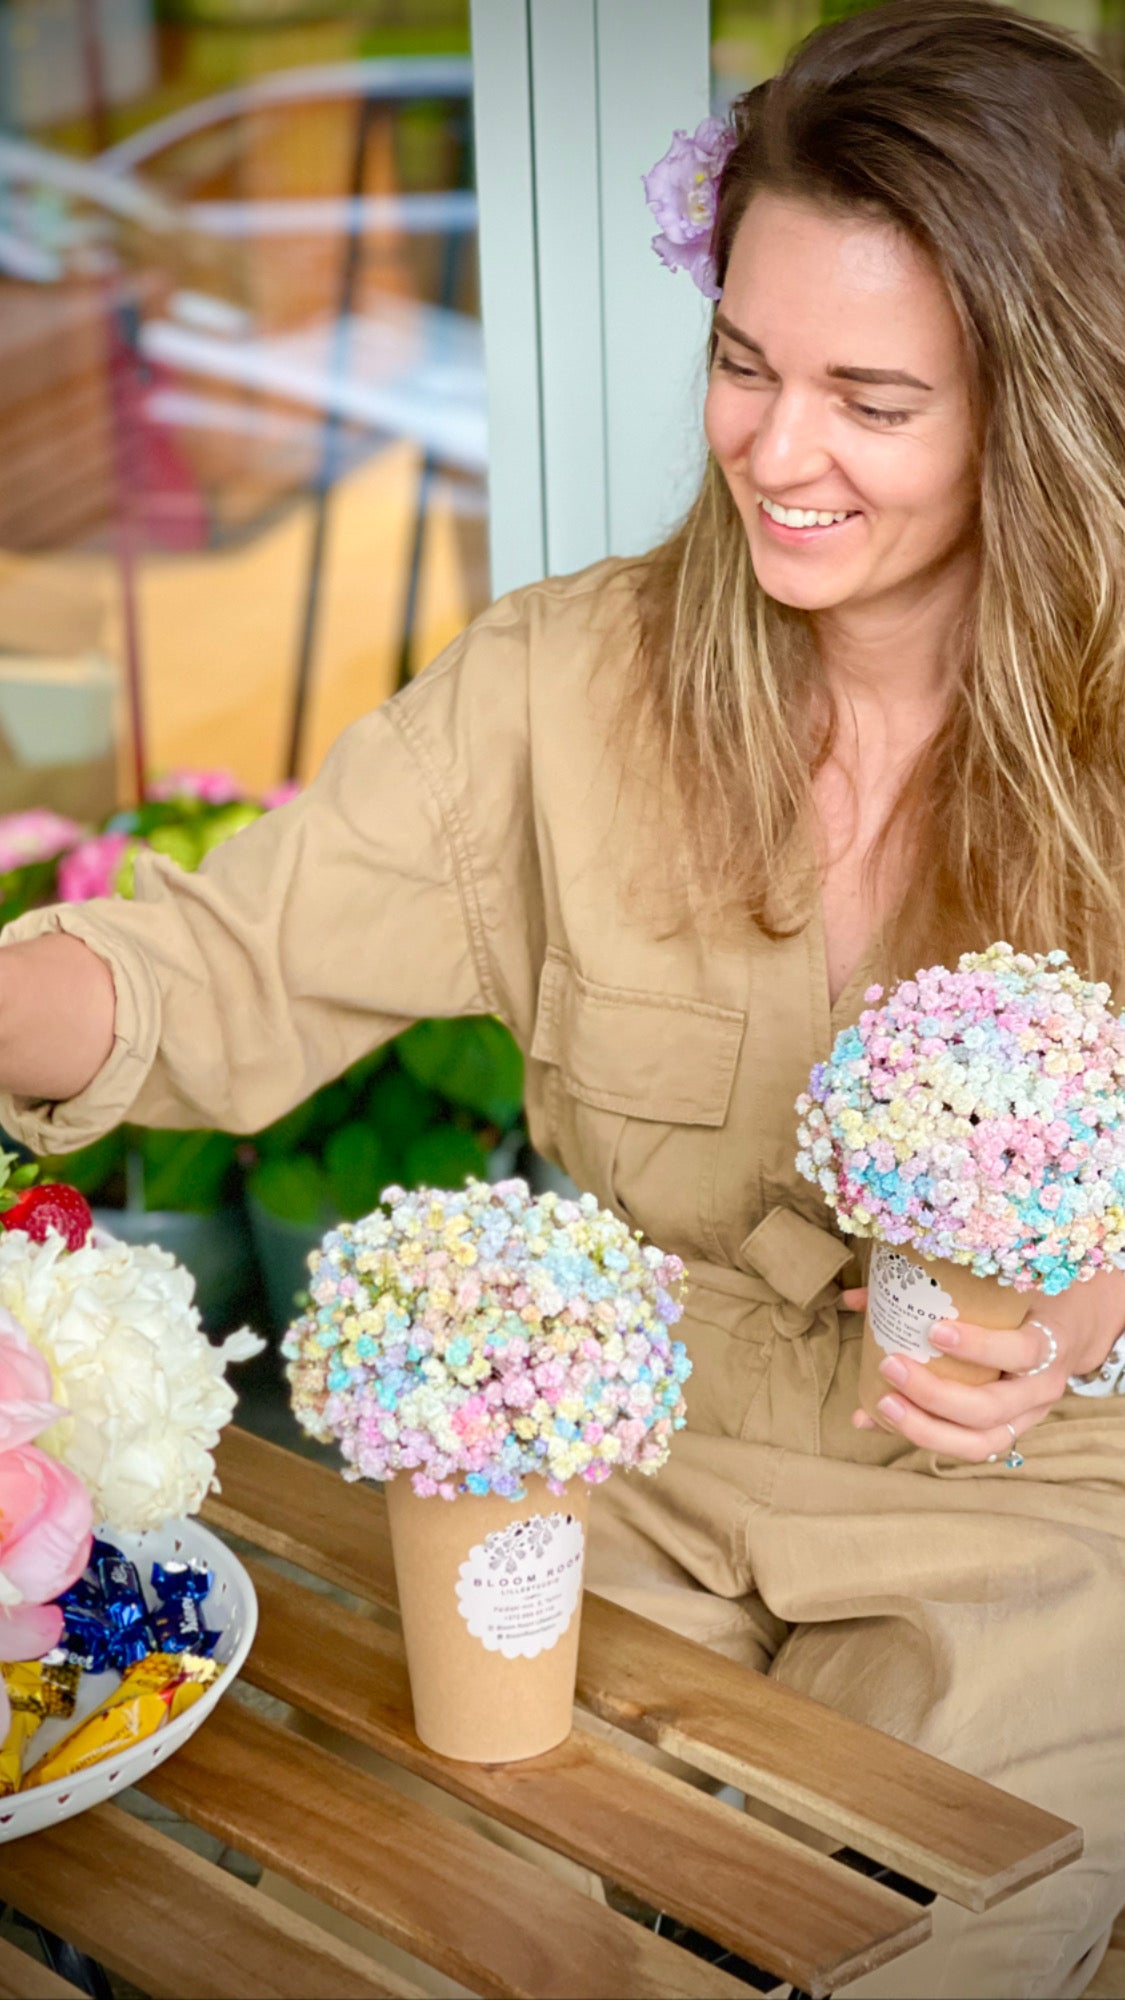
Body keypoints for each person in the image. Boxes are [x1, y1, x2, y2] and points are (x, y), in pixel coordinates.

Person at [3, 1, 1125, 1991]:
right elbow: (216, 965)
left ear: (1026, 410)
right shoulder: (558, 691)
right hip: (622, 1464)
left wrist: (1083, 1311)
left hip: (1030, 1505)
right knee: (476, 1923)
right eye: (741, 362)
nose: (775, 452)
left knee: (922, 1937)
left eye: (870, 398)